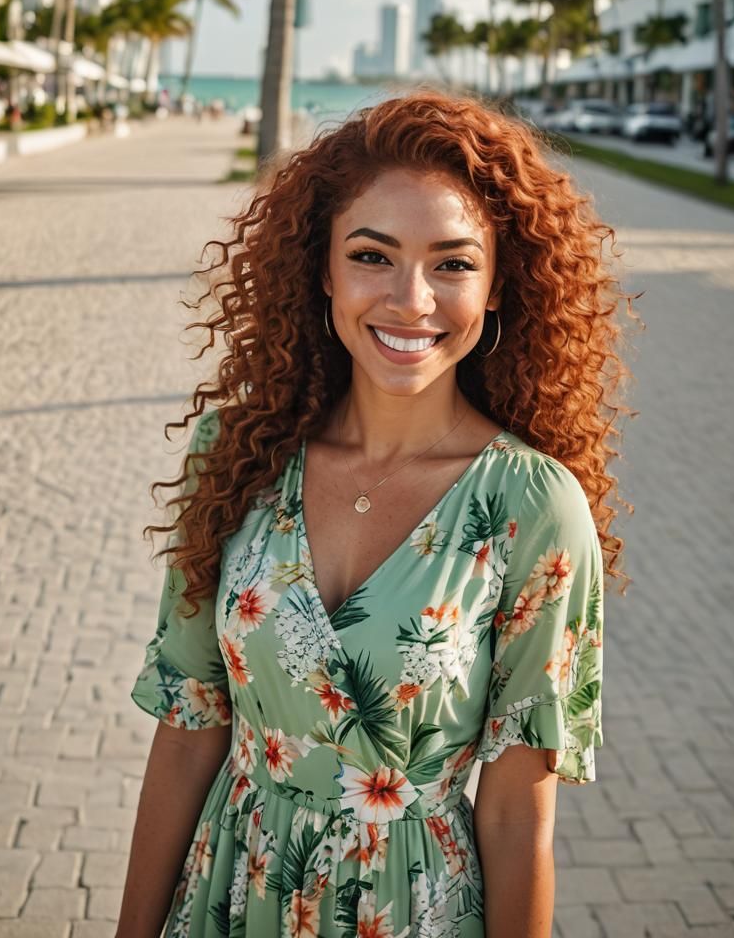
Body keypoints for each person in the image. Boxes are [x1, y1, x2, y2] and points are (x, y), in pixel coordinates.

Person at [116, 88, 637, 938]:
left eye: (453, 263)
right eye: (373, 256)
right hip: (227, 899)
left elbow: (517, 819)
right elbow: (186, 733)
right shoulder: (236, 453)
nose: (412, 299)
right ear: (322, 268)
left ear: (500, 285)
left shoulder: (531, 506)